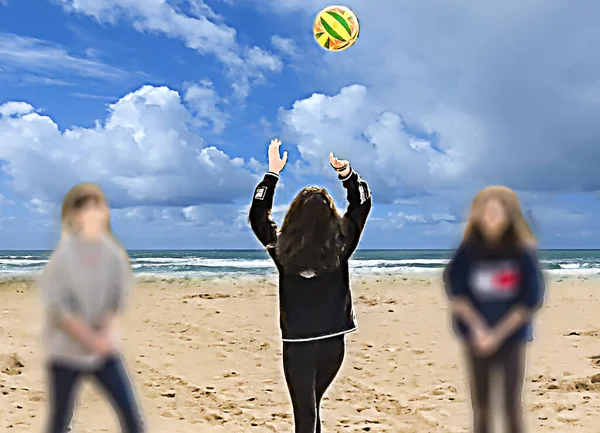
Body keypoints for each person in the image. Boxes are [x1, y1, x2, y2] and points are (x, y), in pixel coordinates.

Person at [249, 139, 371, 433]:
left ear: (293, 217)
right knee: (312, 409)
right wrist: (347, 175)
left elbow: (257, 215)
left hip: (298, 345)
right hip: (333, 342)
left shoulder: (281, 249)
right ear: (331, 218)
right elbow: (362, 203)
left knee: (306, 414)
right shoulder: (341, 246)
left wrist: (272, 174)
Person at [39, 183, 144, 433]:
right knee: (59, 421)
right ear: (73, 215)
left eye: (98, 207)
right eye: (85, 208)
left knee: (130, 415)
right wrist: (89, 338)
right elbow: (60, 306)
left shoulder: (113, 254)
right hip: (66, 351)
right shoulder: (63, 256)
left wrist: (104, 334)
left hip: (103, 349)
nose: (93, 214)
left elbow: (117, 297)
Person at [443, 186, 545, 433]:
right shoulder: (467, 252)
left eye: (496, 213)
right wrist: (479, 330)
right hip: (476, 338)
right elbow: (457, 292)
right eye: (485, 213)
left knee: (511, 406)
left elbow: (529, 299)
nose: (490, 218)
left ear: (509, 216)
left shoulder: (521, 252)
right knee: (483, 407)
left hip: (511, 338)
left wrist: (497, 334)